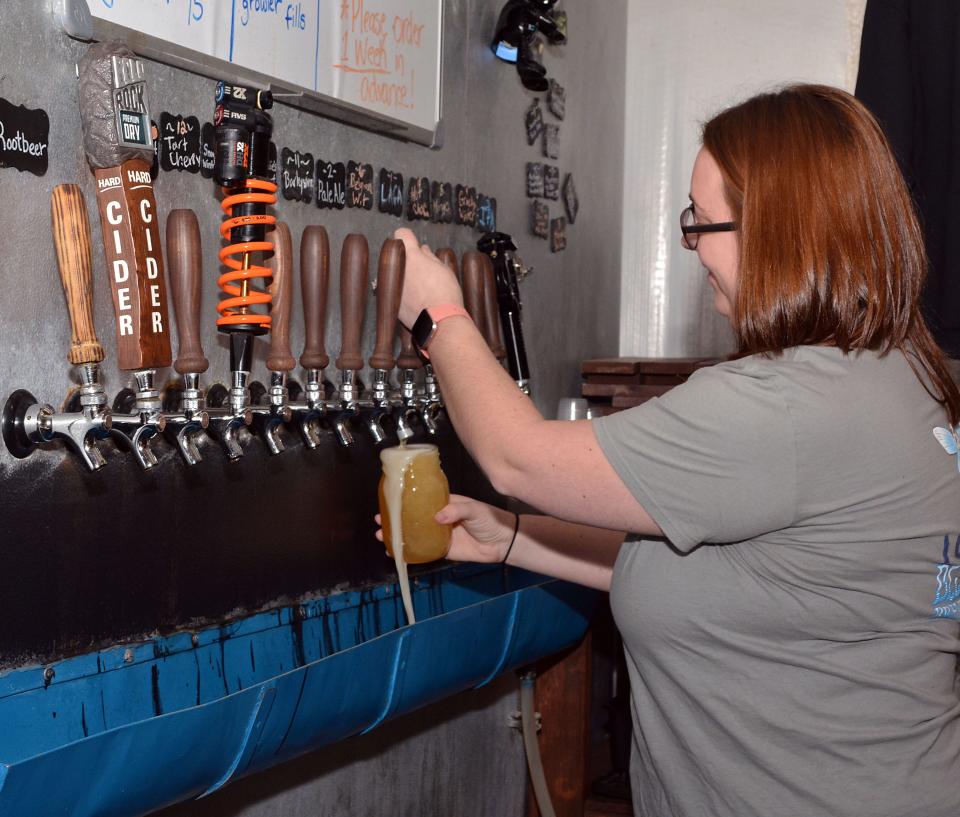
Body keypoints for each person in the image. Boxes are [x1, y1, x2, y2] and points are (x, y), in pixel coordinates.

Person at [380, 84, 960, 817]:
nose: (693, 249)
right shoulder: (902, 377)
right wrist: (515, 539)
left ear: (776, 230)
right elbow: (730, 570)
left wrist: (439, 316)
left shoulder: (778, 408)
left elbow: (516, 458)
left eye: (701, 222)